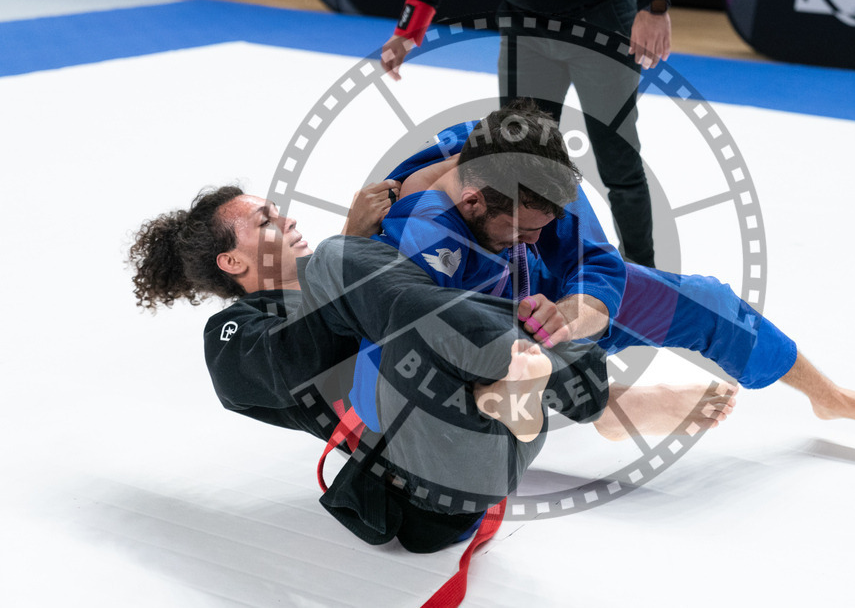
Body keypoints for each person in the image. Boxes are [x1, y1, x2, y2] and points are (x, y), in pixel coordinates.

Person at [128, 182, 736, 553]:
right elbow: (290, 364)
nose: (286, 219)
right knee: (356, 270)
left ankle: (530, 394)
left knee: (411, 288)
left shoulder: (363, 271)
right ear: (232, 261)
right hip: (433, 495)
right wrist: (342, 265)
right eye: (265, 221)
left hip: (489, 434)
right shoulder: (232, 334)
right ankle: (571, 393)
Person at [370, 101, 855, 435]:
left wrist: (578, 312)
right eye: (524, 230)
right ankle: (613, 408)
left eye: (544, 226)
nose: (538, 241)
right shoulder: (412, 234)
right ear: (471, 204)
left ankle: (828, 396)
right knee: (499, 346)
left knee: (705, 300)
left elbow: (592, 259)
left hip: (550, 306)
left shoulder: (513, 165)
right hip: (480, 338)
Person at [380, 0, 674, 267]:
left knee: (618, 162)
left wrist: (654, 5)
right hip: (525, 22)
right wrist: (409, 26)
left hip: (601, 16)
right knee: (515, 158)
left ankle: (642, 271)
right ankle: (532, 268)